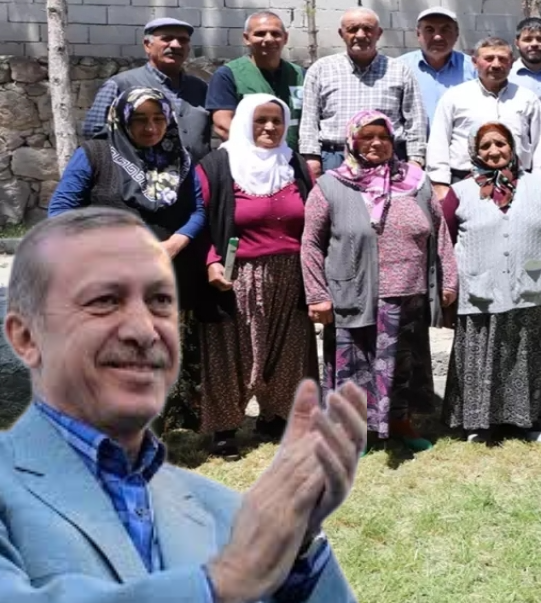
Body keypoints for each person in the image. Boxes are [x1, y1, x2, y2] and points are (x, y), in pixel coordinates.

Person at [0, 207, 362, 602]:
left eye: (159, 301)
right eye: (103, 301)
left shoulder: (220, 508)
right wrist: (219, 582)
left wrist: (298, 546)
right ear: (26, 337)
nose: (145, 330)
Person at [49, 87, 207, 431]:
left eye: (158, 118)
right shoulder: (95, 154)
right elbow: (60, 212)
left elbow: (197, 210)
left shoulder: (181, 158)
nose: (151, 128)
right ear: (121, 119)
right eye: (139, 119)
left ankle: (157, 430)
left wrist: (176, 242)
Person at [301, 110, 457, 452]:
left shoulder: (416, 181)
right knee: (356, 366)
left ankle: (400, 423)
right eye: (367, 137)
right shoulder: (331, 185)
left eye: (384, 137)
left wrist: (448, 281)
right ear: (352, 141)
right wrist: (317, 294)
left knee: (402, 366)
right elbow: (311, 243)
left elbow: (440, 233)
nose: (376, 143)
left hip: (410, 293)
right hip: (356, 293)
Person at [194, 94, 318, 459]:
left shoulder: (294, 164)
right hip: (237, 274)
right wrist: (211, 262)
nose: (269, 127)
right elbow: (198, 220)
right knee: (232, 351)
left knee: (286, 349)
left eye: (277, 120)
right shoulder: (218, 165)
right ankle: (224, 428)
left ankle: (275, 417)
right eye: (260, 120)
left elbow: (314, 217)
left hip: (290, 273)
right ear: (243, 122)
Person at [440, 123, 541, 443]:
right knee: (482, 357)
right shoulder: (459, 192)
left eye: (501, 143)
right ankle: (479, 423)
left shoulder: (539, 186)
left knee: (526, 356)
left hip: (531, 286)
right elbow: (443, 242)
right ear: (475, 152)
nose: (494, 151)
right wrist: (447, 286)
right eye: (485, 146)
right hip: (480, 289)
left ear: (512, 147)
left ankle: (527, 421)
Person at [298, 7, 427, 178]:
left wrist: (415, 160)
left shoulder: (400, 71)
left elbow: (415, 120)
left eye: (367, 29)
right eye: (352, 29)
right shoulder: (321, 69)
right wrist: (311, 158)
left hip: (387, 159)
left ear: (378, 33)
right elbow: (309, 119)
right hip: (336, 158)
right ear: (341, 33)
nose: (360, 35)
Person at [428, 36, 541, 196]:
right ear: (475, 62)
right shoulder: (455, 97)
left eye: (502, 59)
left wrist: (540, 184)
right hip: (464, 180)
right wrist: (440, 183)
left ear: (511, 63)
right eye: (489, 59)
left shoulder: (527, 99)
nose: (496, 64)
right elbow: (438, 142)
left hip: (518, 182)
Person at [82, 17, 213, 162]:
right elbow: (94, 133)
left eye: (183, 40)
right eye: (167, 38)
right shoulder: (120, 85)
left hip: (196, 175)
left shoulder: (201, 88)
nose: (176, 45)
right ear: (147, 45)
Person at [206, 11, 306, 149]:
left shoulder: (300, 75)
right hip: (248, 159)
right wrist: (257, 155)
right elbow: (223, 126)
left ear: (285, 38)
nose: (269, 39)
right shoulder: (228, 75)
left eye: (275, 34)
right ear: (246, 38)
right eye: (260, 34)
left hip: (294, 158)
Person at [399, 6, 478, 120]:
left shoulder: (474, 68)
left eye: (445, 30)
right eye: (429, 30)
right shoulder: (400, 67)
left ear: (456, 34)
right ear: (418, 34)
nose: (437, 37)